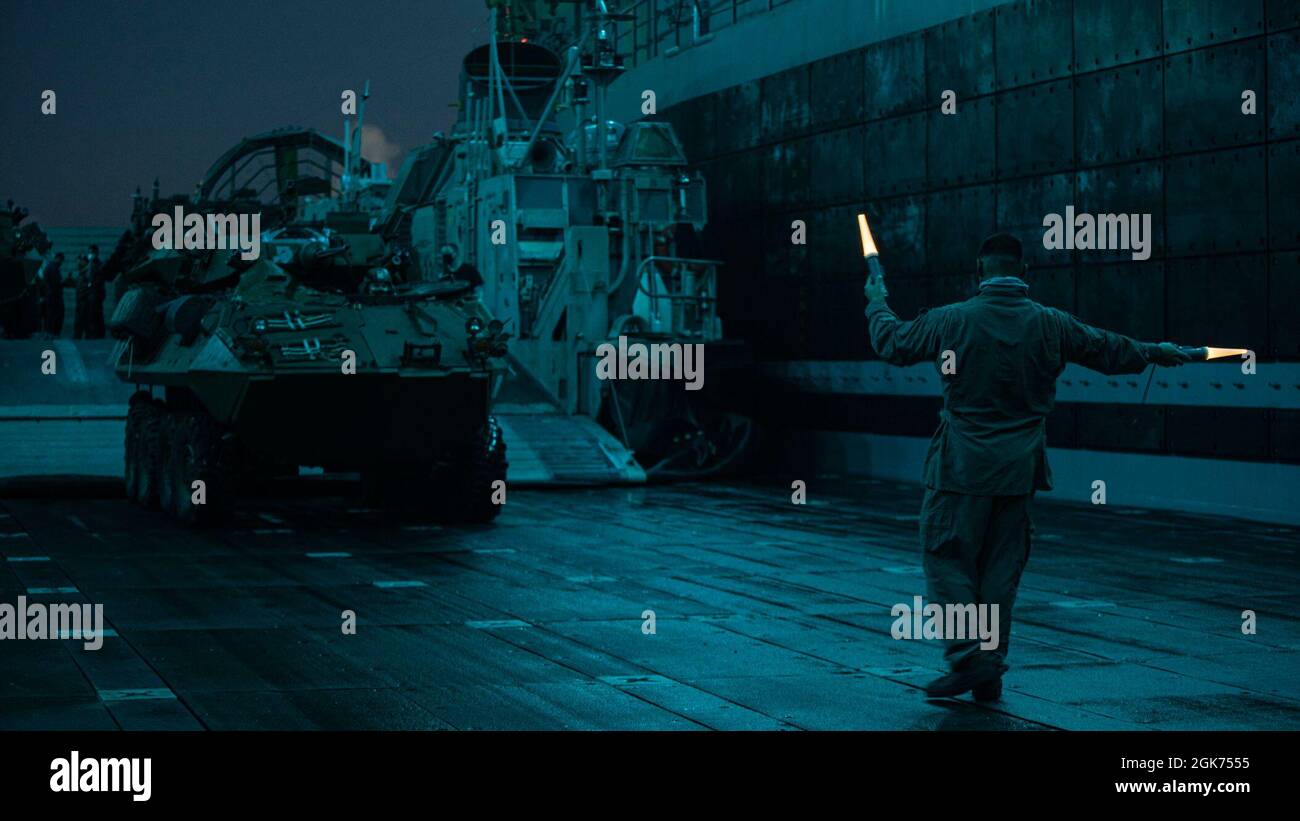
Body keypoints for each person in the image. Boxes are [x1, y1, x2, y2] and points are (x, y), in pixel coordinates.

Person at [864, 233, 1191, 701]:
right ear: (1024, 271)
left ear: (979, 270)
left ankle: (967, 656)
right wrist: (1159, 351)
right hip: (1019, 472)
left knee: (949, 559)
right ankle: (990, 665)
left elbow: (892, 343)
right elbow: (1110, 349)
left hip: (960, 470)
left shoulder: (951, 320)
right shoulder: (1051, 325)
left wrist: (876, 302)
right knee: (1000, 570)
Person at [73, 245, 105, 339]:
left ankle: (95, 334)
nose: (91, 254)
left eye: (92, 252)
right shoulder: (88, 266)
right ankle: (90, 334)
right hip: (89, 294)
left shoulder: (97, 264)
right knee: (89, 315)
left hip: (95, 293)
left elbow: (96, 279)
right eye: (90, 252)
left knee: (95, 314)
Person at [39, 252, 65, 336]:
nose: (61, 262)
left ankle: (50, 331)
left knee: (51, 314)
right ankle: (51, 332)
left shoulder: (51, 267)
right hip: (53, 295)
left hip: (51, 294)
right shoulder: (53, 268)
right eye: (61, 260)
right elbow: (55, 283)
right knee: (53, 314)